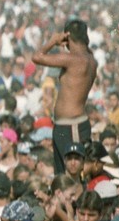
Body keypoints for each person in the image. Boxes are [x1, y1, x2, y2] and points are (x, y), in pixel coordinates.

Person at [30, 18, 98, 166]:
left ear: (67, 36)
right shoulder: (91, 60)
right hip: (68, 124)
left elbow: (36, 57)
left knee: (71, 175)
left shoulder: (73, 59)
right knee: (65, 174)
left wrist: (53, 41)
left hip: (71, 126)